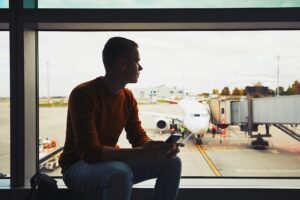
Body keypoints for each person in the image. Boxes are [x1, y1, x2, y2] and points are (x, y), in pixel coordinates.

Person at [59, 37, 182, 200]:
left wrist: (155, 147)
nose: (141, 67)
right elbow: (90, 153)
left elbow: (137, 136)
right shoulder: (83, 94)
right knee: (119, 174)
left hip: (107, 163)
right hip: (77, 166)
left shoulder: (128, 97)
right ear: (122, 64)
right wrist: (143, 153)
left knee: (172, 162)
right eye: (137, 61)